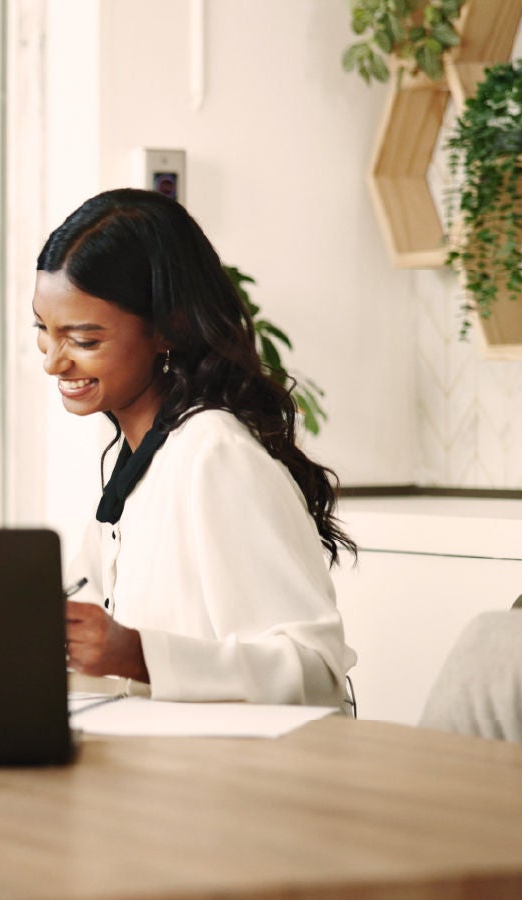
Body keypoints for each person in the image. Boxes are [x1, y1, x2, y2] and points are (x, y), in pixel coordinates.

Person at [34, 188, 355, 707]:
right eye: (44, 332)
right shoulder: (136, 461)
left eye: (84, 340)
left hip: (236, 778)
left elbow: (315, 671)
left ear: (167, 329)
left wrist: (135, 654)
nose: (53, 361)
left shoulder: (215, 454)